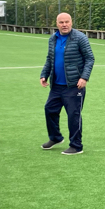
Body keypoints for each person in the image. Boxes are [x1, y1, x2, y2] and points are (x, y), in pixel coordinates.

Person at [40, 13, 95, 156]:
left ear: (71, 22)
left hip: (74, 85)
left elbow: (90, 58)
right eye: (61, 22)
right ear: (57, 24)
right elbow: (49, 58)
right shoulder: (53, 39)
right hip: (56, 85)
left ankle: (76, 146)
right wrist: (44, 74)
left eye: (67, 22)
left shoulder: (80, 38)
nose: (64, 25)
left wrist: (84, 77)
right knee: (49, 109)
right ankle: (55, 137)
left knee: (73, 115)